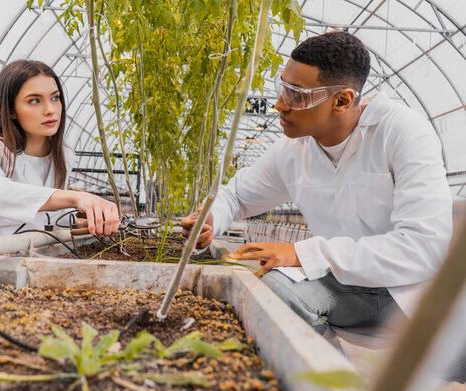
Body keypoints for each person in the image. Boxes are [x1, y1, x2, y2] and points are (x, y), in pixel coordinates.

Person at [182, 31, 452, 345]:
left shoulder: (401, 132)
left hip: (414, 294)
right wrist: (211, 219)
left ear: (342, 101)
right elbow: (237, 195)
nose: (280, 105)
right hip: (349, 288)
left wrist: (301, 252)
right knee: (276, 290)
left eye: (296, 94)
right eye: (282, 87)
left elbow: (423, 249)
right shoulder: (294, 152)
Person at [0, 59, 120, 242]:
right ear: (10, 110)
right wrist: (76, 197)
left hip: (21, 254)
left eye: (55, 98)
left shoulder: (63, 156)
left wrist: (86, 217)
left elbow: (48, 214)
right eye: (34, 101)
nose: (50, 110)